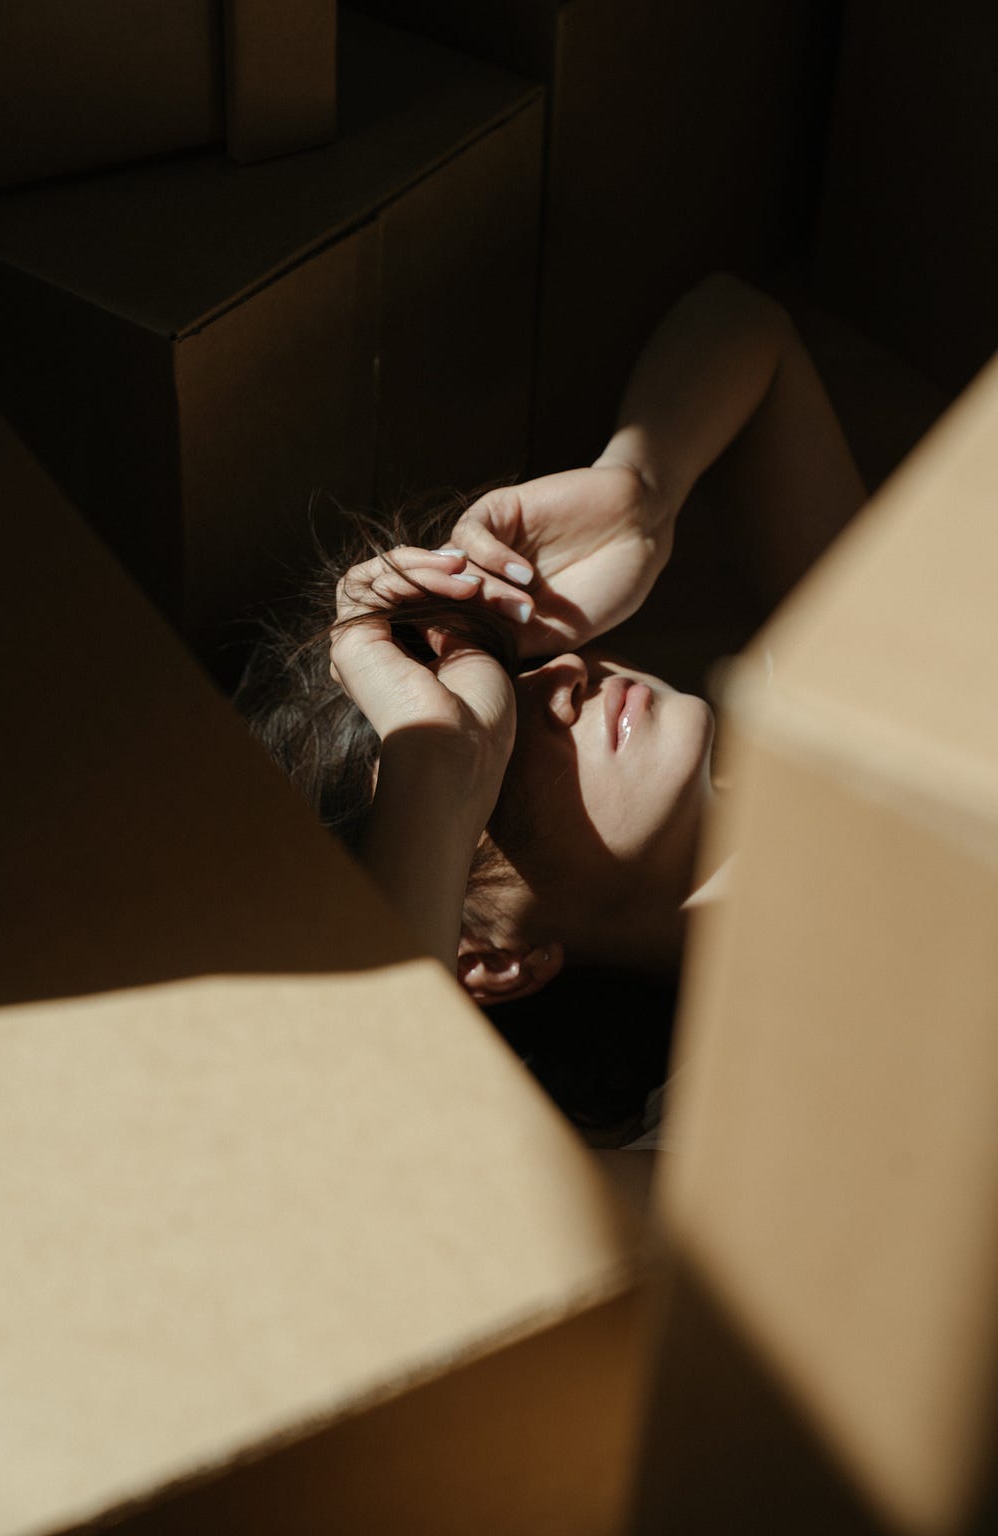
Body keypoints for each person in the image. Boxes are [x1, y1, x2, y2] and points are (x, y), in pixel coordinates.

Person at [237, 273, 865, 1129]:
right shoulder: (725, 1126)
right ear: (487, 960)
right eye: (494, 759)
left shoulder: (857, 738)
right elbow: (368, 1153)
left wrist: (642, 489)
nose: (559, 684)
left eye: (509, 664)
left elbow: (748, 329)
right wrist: (439, 758)